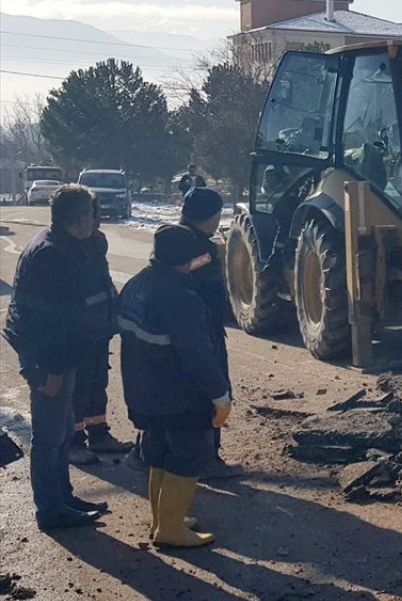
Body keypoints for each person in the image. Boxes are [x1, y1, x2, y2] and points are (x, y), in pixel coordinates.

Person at [2, 184, 109, 531]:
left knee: (61, 433)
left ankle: (63, 497)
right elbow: (35, 322)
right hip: (50, 364)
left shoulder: (63, 246)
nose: (96, 222)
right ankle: (50, 510)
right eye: (92, 216)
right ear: (80, 221)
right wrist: (43, 370)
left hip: (62, 358)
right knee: (48, 438)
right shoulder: (50, 256)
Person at [118, 225, 232, 548]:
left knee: (158, 454)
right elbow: (197, 358)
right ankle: (169, 530)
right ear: (186, 261)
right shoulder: (182, 300)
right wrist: (220, 395)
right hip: (179, 399)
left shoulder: (137, 284)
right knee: (189, 456)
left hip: (143, 394)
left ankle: (163, 519)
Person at [180, 187, 244, 479]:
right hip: (202, 331)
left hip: (192, 329)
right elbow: (207, 286)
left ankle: (183, 458)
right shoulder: (198, 249)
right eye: (217, 216)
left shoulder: (177, 239)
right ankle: (208, 460)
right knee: (213, 393)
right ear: (207, 218)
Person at [68, 199, 134, 466]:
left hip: (98, 329)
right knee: (78, 388)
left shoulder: (96, 243)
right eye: (94, 215)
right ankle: (73, 442)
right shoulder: (65, 249)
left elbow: (103, 282)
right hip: (79, 334)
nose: (98, 221)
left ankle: (98, 434)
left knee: (97, 384)